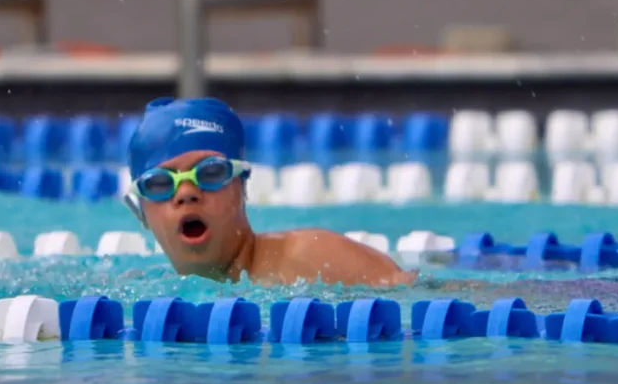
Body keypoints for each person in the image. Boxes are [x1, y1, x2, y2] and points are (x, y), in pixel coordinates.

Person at [123, 97, 418, 287]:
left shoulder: (314, 258)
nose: (186, 193)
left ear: (243, 187)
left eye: (211, 173)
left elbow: (428, 298)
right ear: (140, 212)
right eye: (160, 183)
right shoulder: (141, 291)